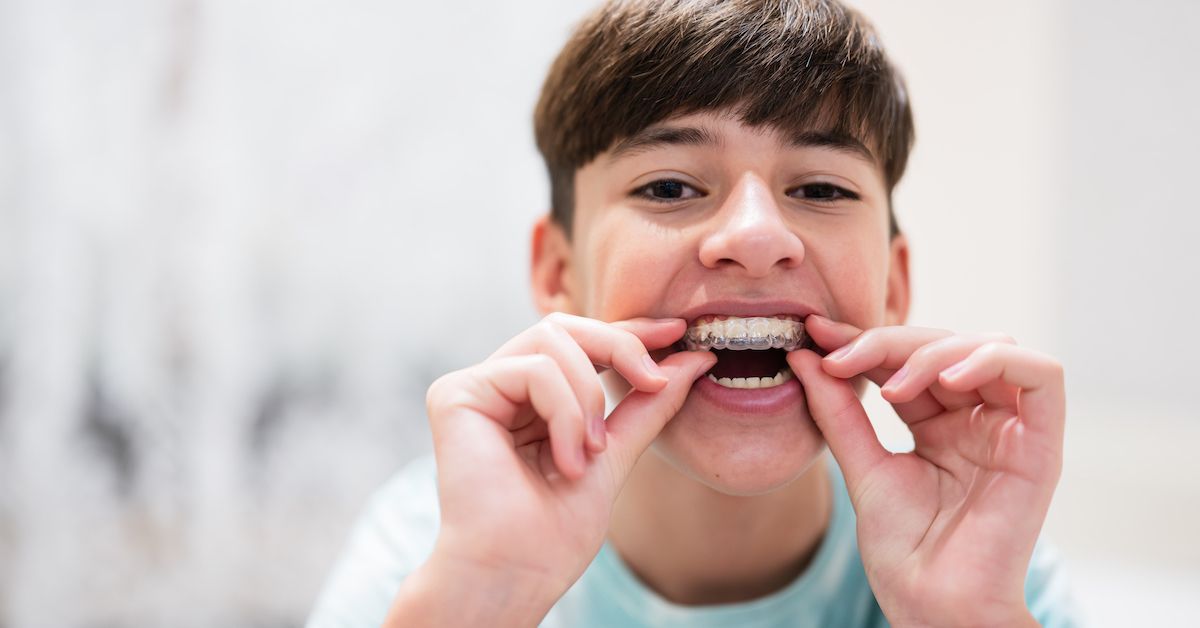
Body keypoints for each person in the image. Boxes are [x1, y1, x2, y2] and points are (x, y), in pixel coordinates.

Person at [307, 1, 1078, 625]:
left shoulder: (985, 565)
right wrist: (484, 598)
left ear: (893, 286)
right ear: (557, 273)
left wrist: (964, 616)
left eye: (820, 189)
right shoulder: (433, 548)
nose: (755, 238)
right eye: (670, 187)